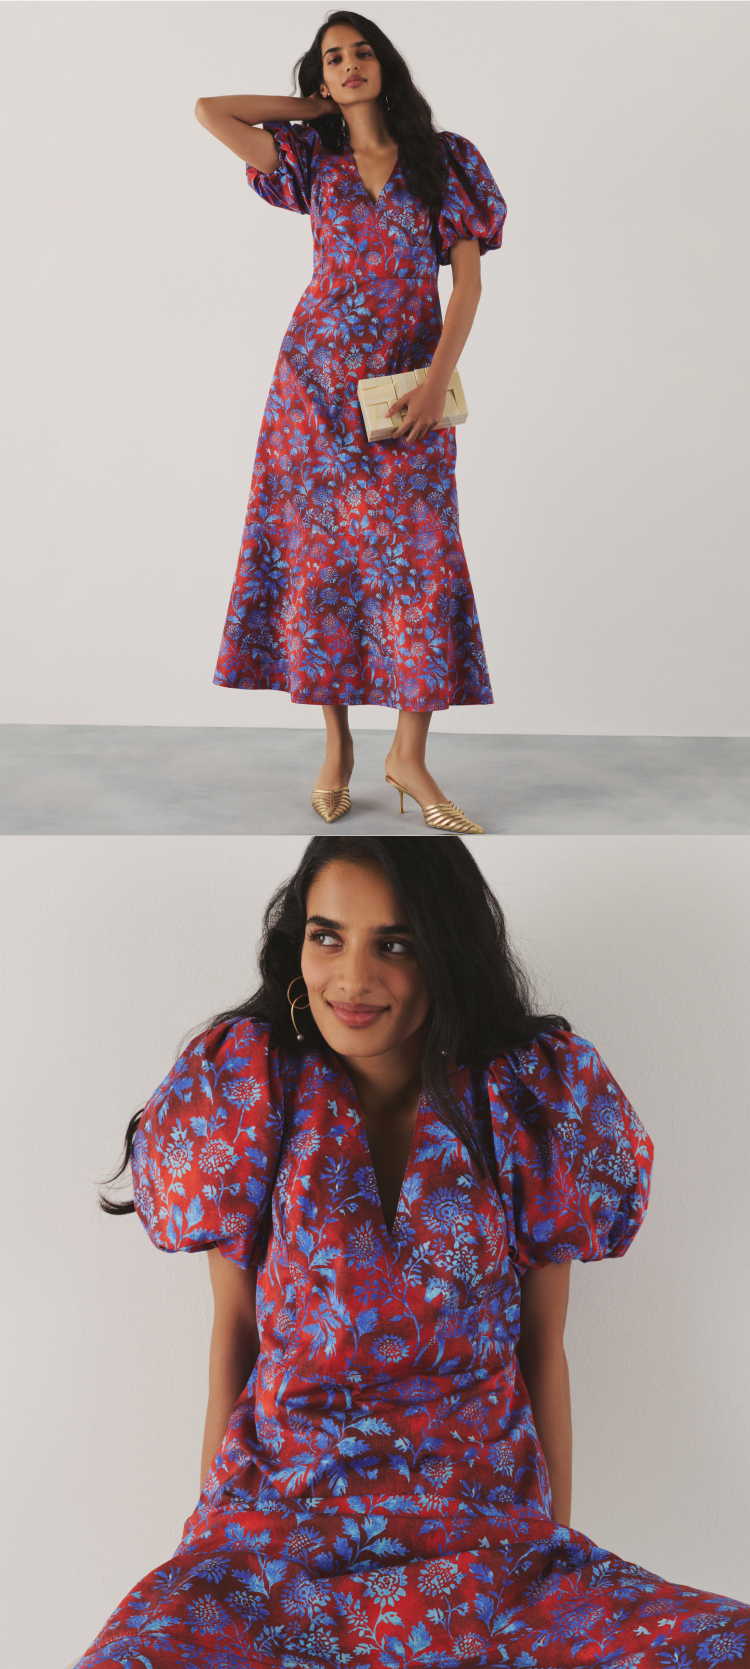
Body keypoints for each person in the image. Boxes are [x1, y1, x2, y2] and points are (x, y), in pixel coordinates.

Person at [77, 836, 750, 1668]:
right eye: (328, 936)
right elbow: (235, 1336)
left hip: (485, 1538)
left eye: (393, 943)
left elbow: (543, 1348)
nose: (351, 978)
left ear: (447, 950)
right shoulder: (250, 1085)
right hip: (276, 1540)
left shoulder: (529, 1097)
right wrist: (202, 1552)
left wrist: (549, 1550)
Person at [197, 12, 508, 831]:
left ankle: (409, 755)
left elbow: (468, 287)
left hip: (409, 390)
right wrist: (314, 108)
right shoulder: (311, 160)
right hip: (314, 393)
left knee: (422, 560)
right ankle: (335, 746)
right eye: (333, 58)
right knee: (322, 562)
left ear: (387, 61)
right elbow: (209, 109)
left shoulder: (449, 159)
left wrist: (436, 386)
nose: (350, 64)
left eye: (361, 50)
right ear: (321, 77)